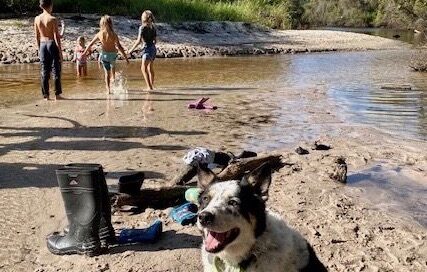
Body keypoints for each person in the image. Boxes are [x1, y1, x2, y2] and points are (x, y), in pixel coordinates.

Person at [83, 15, 129, 94]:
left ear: (102, 24)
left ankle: (108, 89)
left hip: (104, 55)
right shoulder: (114, 34)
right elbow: (119, 46)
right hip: (113, 55)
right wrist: (126, 58)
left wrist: (84, 53)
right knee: (113, 66)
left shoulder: (100, 34)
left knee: (106, 73)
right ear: (111, 23)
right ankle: (113, 77)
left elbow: (90, 44)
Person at [34, 0, 63, 100]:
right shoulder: (52, 19)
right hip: (51, 43)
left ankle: (46, 96)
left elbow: (37, 36)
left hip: (42, 44)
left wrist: (39, 49)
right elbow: (56, 37)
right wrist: (60, 51)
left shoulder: (37, 19)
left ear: (41, 6)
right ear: (50, 6)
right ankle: (57, 95)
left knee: (44, 71)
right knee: (55, 70)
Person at [128, 10, 157, 91]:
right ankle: (152, 85)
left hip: (147, 50)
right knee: (150, 68)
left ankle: (149, 87)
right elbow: (155, 41)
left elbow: (138, 41)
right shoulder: (153, 27)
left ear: (143, 18)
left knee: (143, 68)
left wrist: (131, 50)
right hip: (153, 49)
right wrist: (145, 46)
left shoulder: (142, 27)